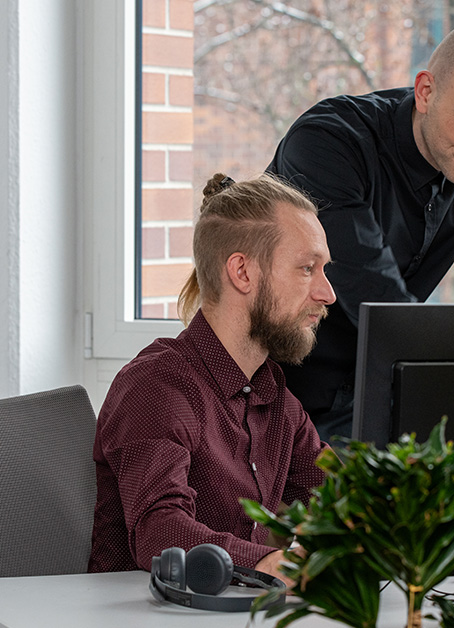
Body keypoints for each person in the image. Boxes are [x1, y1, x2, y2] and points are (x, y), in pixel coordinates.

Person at [266, 22, 454, 442]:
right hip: (271, 401)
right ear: (426, 92)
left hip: (374, 400)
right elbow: (379, 304)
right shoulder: (327, 143)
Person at [88, 173, 335, 583]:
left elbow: (336, 498)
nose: (328, 293)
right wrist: (264, 563)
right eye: (307, 268)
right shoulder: (156, 386)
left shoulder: (273, 397)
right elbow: (161, 531)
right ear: (242, 272)